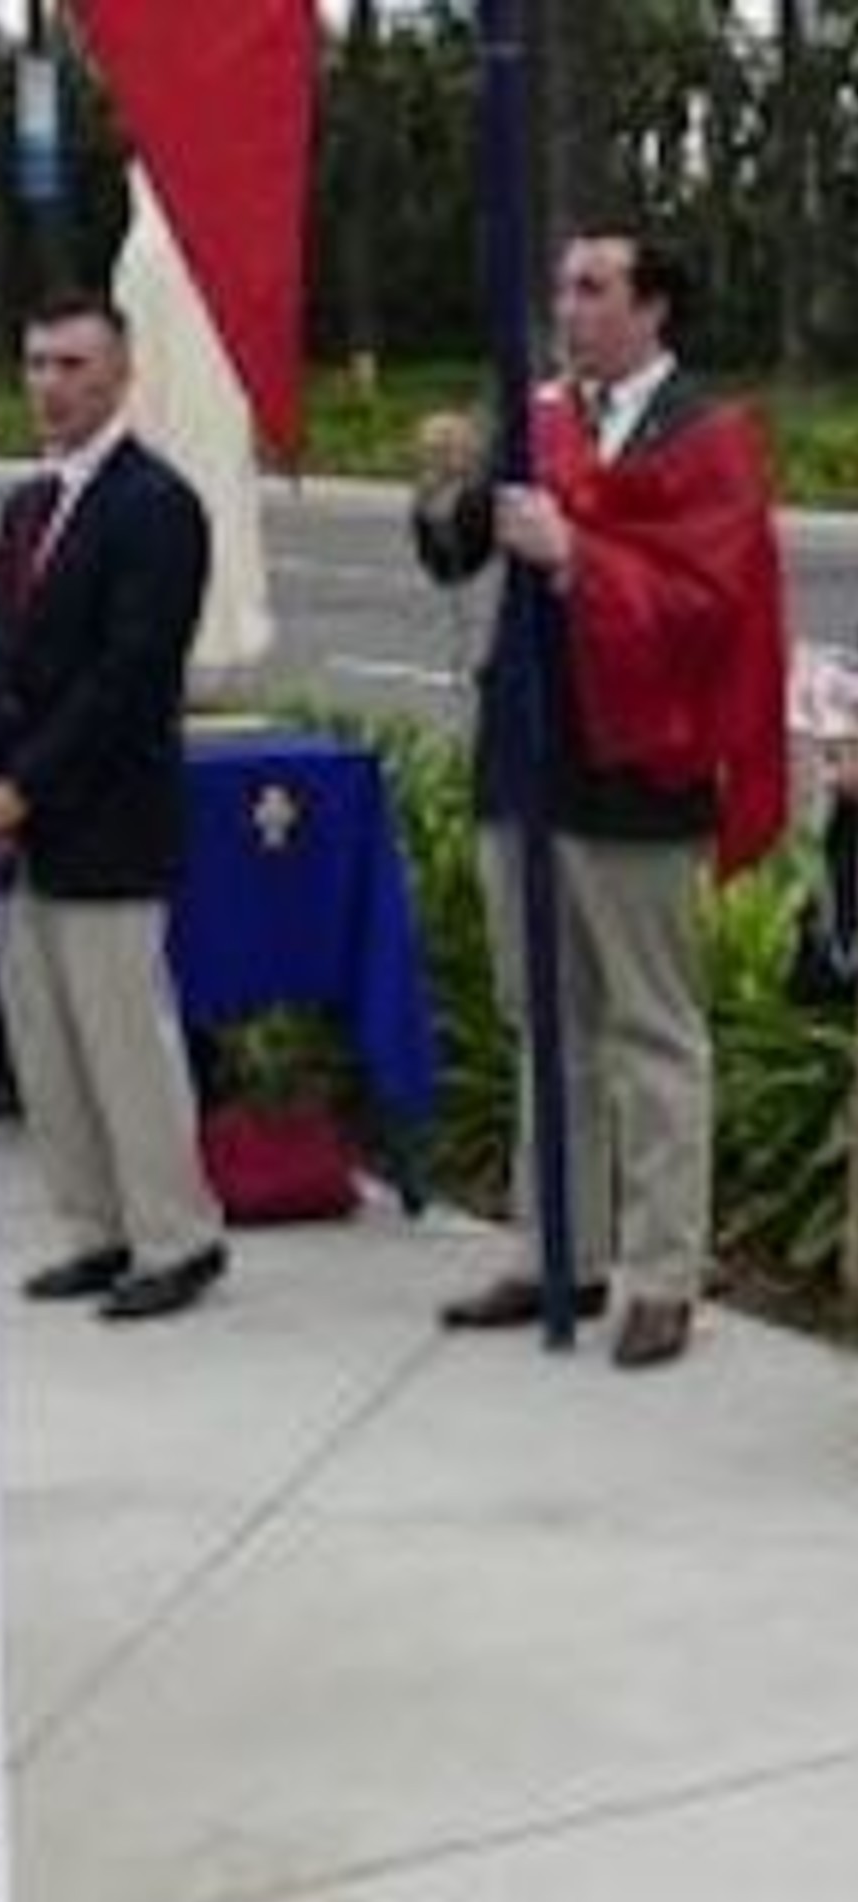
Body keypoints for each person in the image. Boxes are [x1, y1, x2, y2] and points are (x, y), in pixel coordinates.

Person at [414, 228, 789, 1369]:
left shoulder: (709, 437)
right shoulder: (538, 419)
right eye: (564, 287)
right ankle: (559, 1252)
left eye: (593, 288)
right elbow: (455, 554)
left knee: (654, 1033)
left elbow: (710, 604)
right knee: (545, 1022)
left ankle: (664, 1275)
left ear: (653, 308)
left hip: (639, 772)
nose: (569, 307)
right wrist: (446, 489)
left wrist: (577, 553)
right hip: (525, 760)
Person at [0, 291, 226, 1322]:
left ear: (121, 374)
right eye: (36, 364)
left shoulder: (156, 504)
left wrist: (24, 788)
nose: (50, 386)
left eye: (72, 365)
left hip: (106, 819)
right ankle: (97, 1228)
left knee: (125, 1043)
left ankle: (176, 1237)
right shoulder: (30, 504)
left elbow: (130, 677)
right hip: (18, 829)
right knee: (49, 1046)